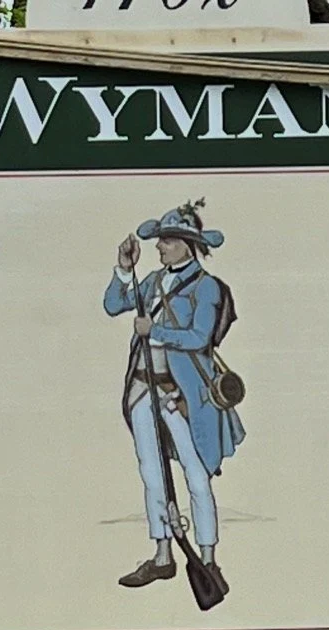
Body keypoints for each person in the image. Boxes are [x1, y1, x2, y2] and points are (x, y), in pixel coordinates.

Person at [103, 202, 245, 593]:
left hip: (184, 397)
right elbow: (113, 304)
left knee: (196, 478)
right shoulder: (149, 281)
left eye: (167, 241)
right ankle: (163, 555)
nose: (160, 247)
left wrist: (156, 332)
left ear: (187, 244)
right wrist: (122, 268)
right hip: (142, 387)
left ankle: (209, 561)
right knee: (152, 473)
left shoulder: (207, 286)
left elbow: (200, 339)